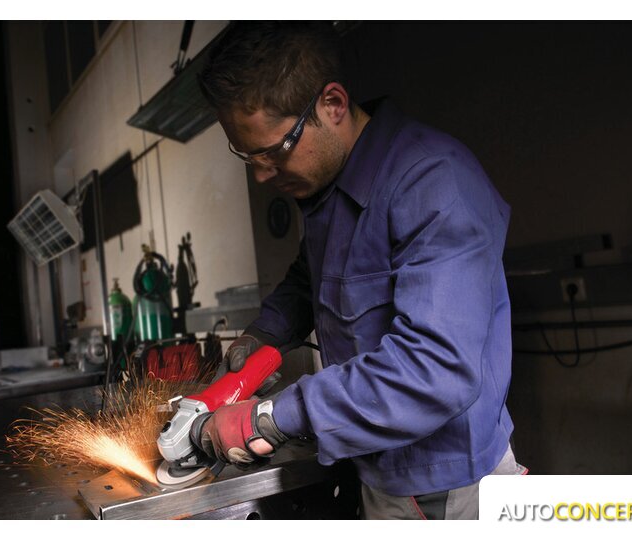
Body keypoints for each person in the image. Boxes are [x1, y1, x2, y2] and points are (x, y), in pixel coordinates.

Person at [195, 22, 525, 520]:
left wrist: (268, 418)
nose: (261, 175)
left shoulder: (433, 182)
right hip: (375, 468)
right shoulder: (331, 189)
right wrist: (265, 334)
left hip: (447, 488)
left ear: (332, 104)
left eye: (272, 152)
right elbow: (312, 276)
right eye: (247, 156)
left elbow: (433, 369)